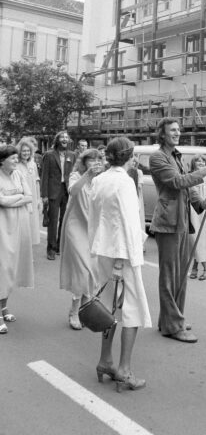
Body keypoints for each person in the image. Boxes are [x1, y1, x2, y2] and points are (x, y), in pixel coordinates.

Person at [149, 118, 206, 343]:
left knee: (181, 275)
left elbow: (188, 188)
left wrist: (201, 203)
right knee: (169, 276)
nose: (177, 133)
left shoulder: (176, 155)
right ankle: (174, 325)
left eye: (178, 130)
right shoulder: (157, 157)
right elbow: (177, 182)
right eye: (172, 130)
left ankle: (171, 320)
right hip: (167, 223)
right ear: (162, 134)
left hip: (182, 221)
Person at [88, 137, 151, 392]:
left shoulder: (99, 179)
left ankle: (105, 360)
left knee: (108, 309)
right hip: (122, 255)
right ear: (128, 155)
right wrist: (124, 259)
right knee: (132, 310)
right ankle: (124, 370)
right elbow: (129, 222)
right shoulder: (124, 182)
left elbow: (95, 218)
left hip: (102, 250)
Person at [59, 148, 104, 330]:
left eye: (97, 160)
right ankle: (74, 311)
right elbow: (73, 191)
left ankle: (85, 311)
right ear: (84, 162)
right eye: (90, 160)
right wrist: (87, 175)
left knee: (92, 272)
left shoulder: (102, 180)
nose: (94, 163)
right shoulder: (77, 176)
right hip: (76, 227)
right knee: (83, 270)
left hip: (94, 229)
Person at [0, 145, 34, 334]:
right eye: (12, 158)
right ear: (2, 160)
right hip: (2, 226)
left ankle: (4, 307)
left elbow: (29, 197)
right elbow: (1, 201)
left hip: (18, 225)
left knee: (12, 267)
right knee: (2, 267)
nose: (16, 160)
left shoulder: (19, 174)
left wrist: (12, 198)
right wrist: (19, 197)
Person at [40, 131, 76, 260]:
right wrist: (44, 195)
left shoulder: (72, 155)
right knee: (53, 221)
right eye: (62, 137)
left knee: (65, 220)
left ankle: (60, 246)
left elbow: (74, 174)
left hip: (67, 191)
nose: (65, 139)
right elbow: (44, 176)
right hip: (53, 191)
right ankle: (51, 248)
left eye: (67, 137)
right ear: (57, 140)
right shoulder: (49, 155)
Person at [16, 137, 41, 246]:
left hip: (33, 199)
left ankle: (28, 252)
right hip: (22, 199)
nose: (26, 153)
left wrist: (39, 199)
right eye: (23, 151)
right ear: (19, 152)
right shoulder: (15, 165)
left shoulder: (33, 164)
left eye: (28, 151)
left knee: (32, 225)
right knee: (21, 225)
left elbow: (36, 182)